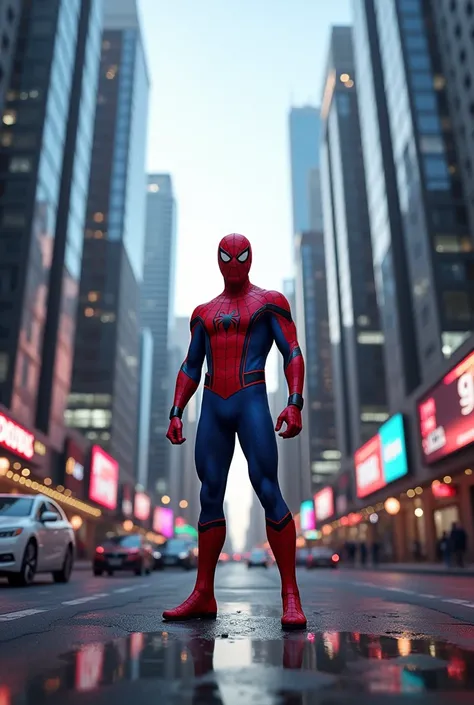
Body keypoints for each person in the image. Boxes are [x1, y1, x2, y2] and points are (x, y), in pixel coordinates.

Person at [163, 233, 306, 630]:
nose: (234, 263)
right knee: (209, 494)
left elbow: (291, 351)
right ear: (218, 259)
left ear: (250, 258)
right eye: (227, 256)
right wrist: (176, 412)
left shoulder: (270, 302)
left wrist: (295, 402)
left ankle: (290, 595)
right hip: (214, 405)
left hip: (251, 399)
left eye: (240, 256)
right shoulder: (203, 313)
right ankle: (203, 593)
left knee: (266, 488)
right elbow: (191, 366)